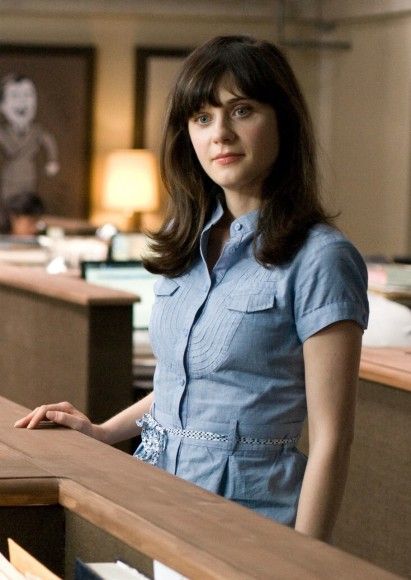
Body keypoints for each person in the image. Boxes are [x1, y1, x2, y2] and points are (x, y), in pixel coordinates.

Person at [15, 35, 369, 541]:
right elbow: (179, 387)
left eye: (241, 110)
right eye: (202, 118)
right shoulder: (185, 247)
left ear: (282, 120)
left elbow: (334, 439)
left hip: (251, 520)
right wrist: (103, 431)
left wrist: (307, 564)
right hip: (154, 497)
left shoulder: (321, 258)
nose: (220, 133)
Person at [0, 73, 60, 200]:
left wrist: (52, 160)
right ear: (3, 106)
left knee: (27, 205)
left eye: (27, 95)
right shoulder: (3, 133)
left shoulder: (37, 131)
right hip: (9, 178)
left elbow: (48, 141)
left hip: (29, 177)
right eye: (15, 96)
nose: (22, 101)